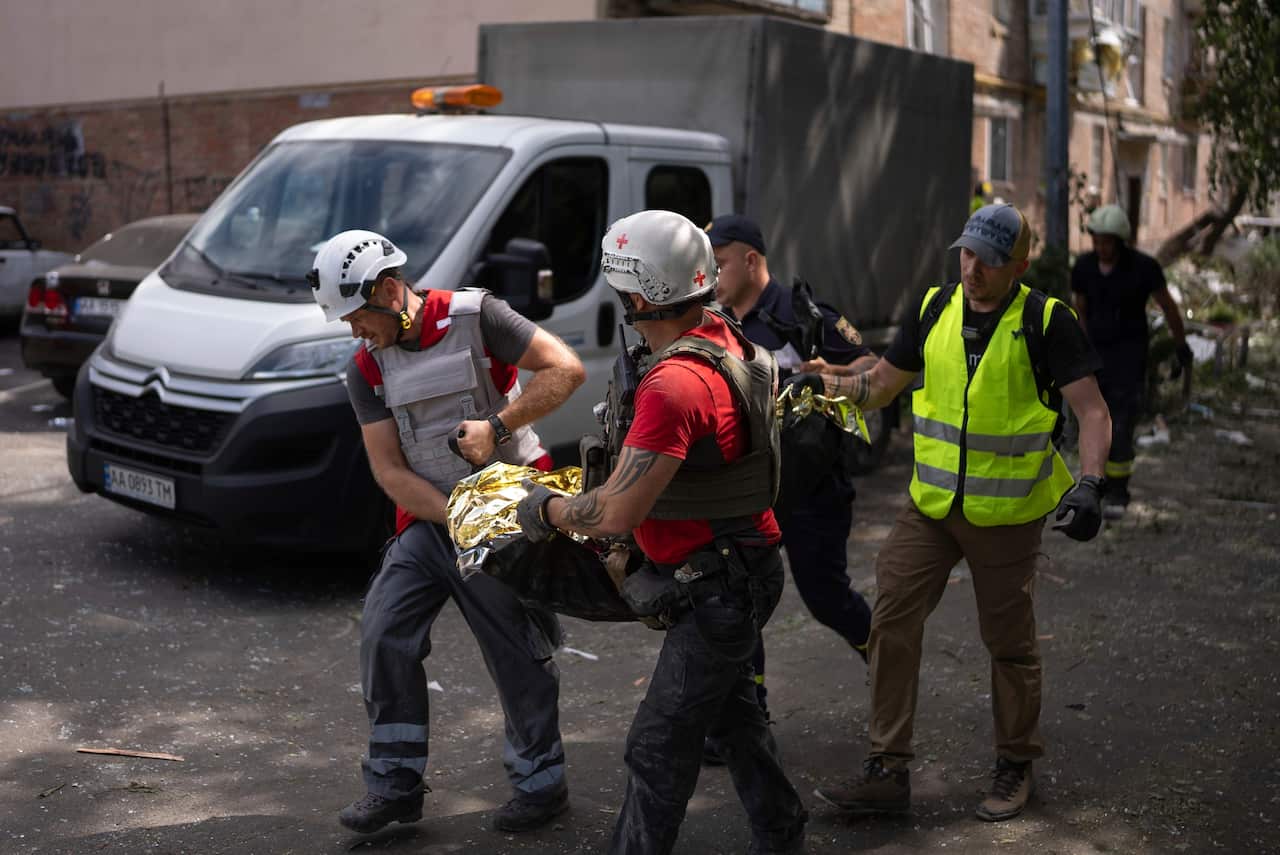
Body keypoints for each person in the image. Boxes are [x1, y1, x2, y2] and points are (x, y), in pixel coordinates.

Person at [517, 210, 808, 854]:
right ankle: (784, 831)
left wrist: (544, 509)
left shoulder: (675, 383)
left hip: (720, 584)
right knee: (733, 720)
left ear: (642, 296)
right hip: (736, 564)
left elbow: (615, 513)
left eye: (621, 292)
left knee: (658, 744)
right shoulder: (721, 332)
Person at [810, 204, 1112, 822]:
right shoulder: (933, 309)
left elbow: (1094, 412)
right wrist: (831, 386)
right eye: (967, 254)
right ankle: (887, 769)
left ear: (1019, 264)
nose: (972, 269)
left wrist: (1090, 484)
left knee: (1008, 643)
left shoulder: (1046, 320)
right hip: (932, 507)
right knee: (890, 618)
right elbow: (885, 385)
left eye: (990, 260)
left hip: (1006, 514)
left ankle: (1015, 763)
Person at [307, 230, 586, 835]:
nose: (355, 331)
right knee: (384, 632)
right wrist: (456, 516)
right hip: (433, 520)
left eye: (357, 317)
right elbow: (387, 469)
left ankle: (542, 784)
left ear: (387, 290)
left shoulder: (479, 316)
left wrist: (497, 423)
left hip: (509, 512)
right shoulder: (366, 367)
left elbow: (565, 369)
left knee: (516, 649)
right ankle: (395, 785)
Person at [705, 214, 877, 731]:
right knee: (740, 601)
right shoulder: (713, 324)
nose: (712, 275)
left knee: (826, 598)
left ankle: (890, 664)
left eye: (720, 263)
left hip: (812, 490)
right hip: (748, 492)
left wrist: (833, 372)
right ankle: (746, 716)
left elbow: (874, 368)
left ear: (751, 260)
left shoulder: (803, 315)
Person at [1071, 204, 1191, 518]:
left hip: (1129, 358)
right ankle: (1092, 485)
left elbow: (1168, 307)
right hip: (1095, 359)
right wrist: (1081, 349)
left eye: (1107, 242)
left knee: (1121, 425)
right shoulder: (1084, 268)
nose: (1101, 248)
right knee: (1094, 421)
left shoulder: (1143, 268)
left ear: (1120, 241)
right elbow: (1080, 308)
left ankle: (1118, 490)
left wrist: (1181, 346)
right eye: (1096, 241)